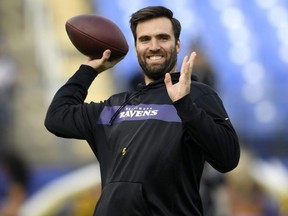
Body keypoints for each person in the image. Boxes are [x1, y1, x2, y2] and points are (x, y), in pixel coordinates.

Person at [45, 6, 240, 216]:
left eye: (162, 38)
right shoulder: (116, 106)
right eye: (145, 39)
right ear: (136, 47)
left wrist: (184, 105)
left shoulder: (196, 95)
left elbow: (227, 158)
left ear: (177, 45)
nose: (153, 46)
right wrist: (89, 70)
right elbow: (57, 117)